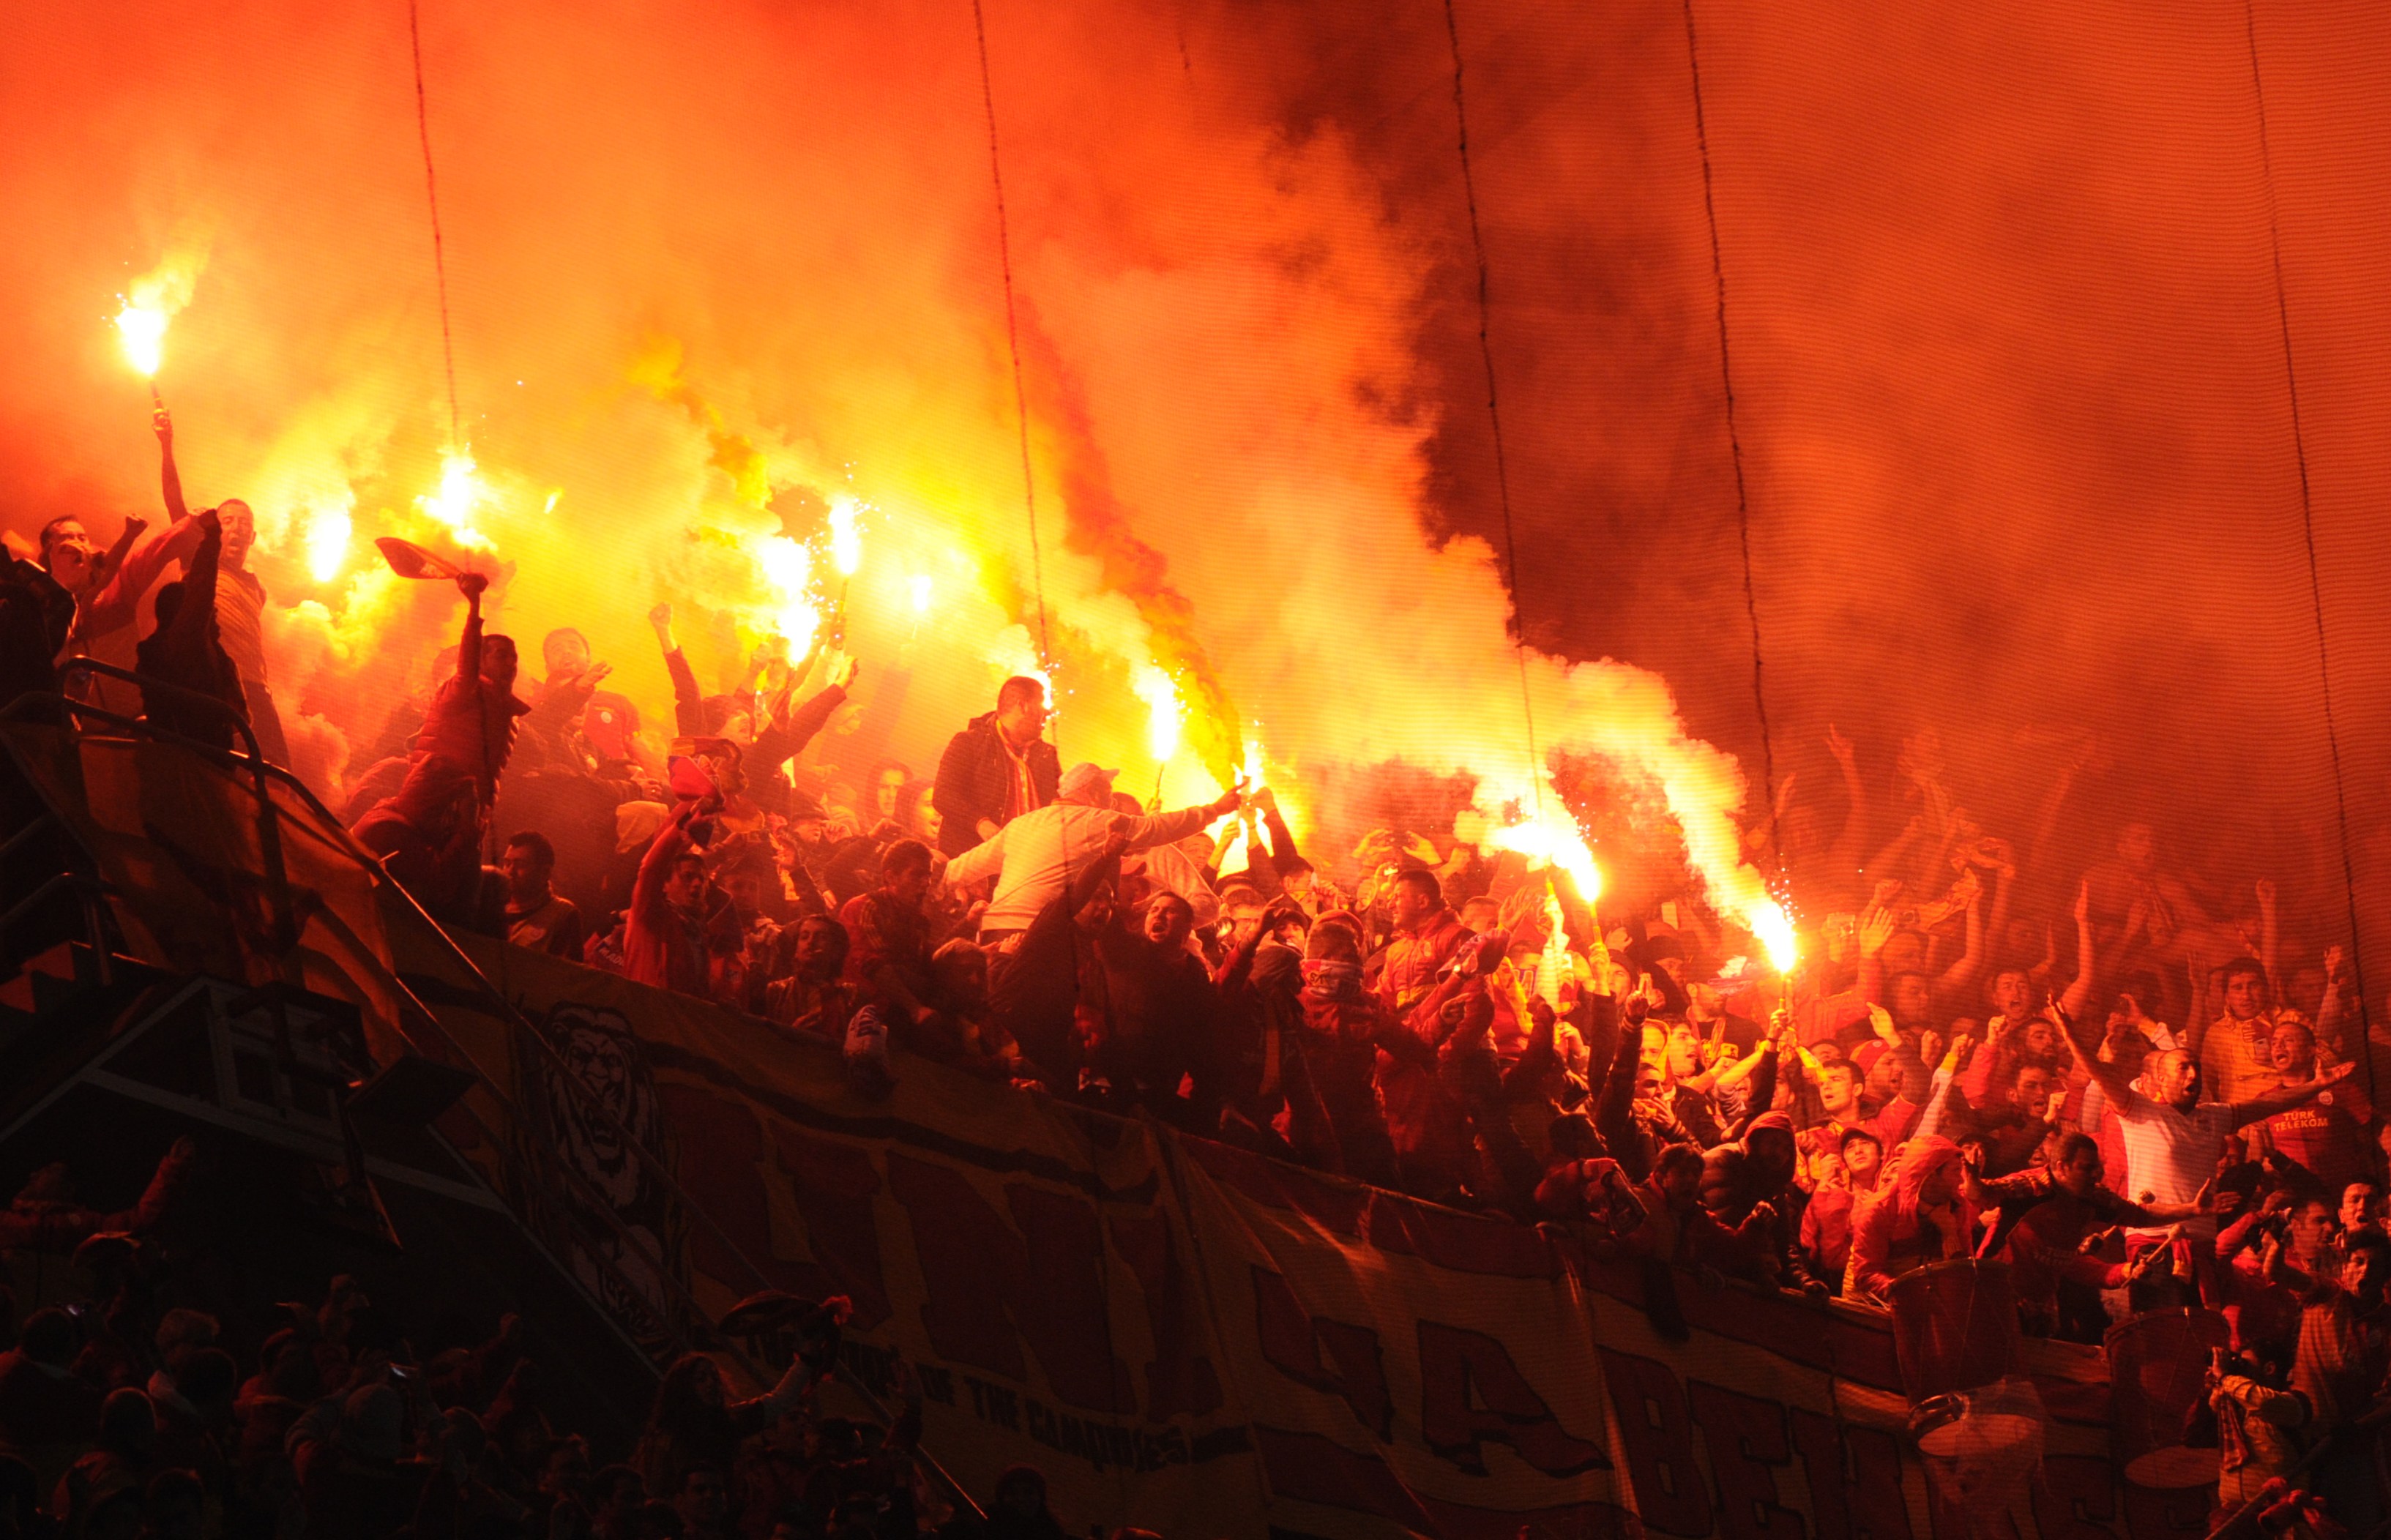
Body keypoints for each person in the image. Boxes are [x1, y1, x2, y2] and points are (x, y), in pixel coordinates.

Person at [944, 763, 1239, 943]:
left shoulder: (1022, 824)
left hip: (994, 931)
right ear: (1092, 791)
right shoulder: (1095, 821)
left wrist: (931, 880)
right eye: (1107, 789)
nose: (1111, 798)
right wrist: (1215, 809)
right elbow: (1158, 827)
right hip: (1039, 935)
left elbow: (960, 869)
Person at [133, 508, 249, 749]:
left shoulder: (205, 653)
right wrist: (212, 535)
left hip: (186, 757)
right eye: (208, 613)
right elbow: (201, 589)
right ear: (183, 614)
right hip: (198, 758)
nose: (213, 615)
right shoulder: (187, 644)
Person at [931, 676, 1058, 858]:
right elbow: (944, 796)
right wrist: (981, 823)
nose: (1046, 714)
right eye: (1041, 706)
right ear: (1023, 707)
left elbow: (1056, 805)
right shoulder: (969, 743)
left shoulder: (1046, 754)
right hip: (977, 863)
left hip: (1030, 864)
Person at [491, 831, 586, 958]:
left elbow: (567, 974)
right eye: (507, 863)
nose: (510, 871)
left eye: (520, 865)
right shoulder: (491, 904)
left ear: (545, 872)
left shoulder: (562, 915)